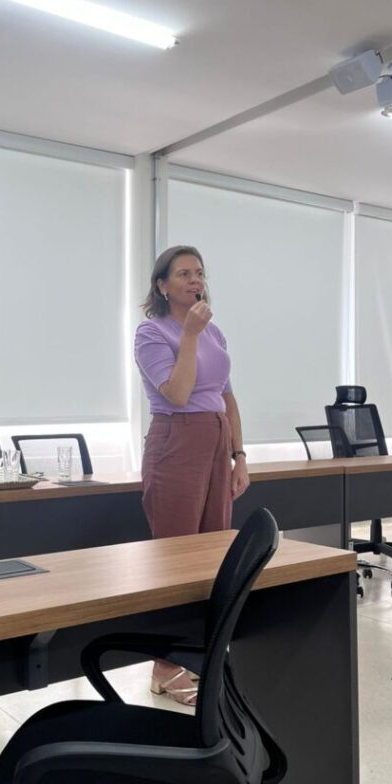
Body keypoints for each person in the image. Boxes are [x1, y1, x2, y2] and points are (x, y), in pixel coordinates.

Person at [134, 245, 249, 704]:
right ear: (162, 285)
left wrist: (239, 456)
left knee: (213, 554)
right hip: (176, 440)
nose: (194, 279)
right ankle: (164, 668)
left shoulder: (214, 332)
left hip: (216, 439)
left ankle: (201, 655)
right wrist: (189, 336)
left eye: (199, 272)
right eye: (183, 273)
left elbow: (227, 396)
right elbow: (178, 394)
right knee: (176, 558)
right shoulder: (151, 333)